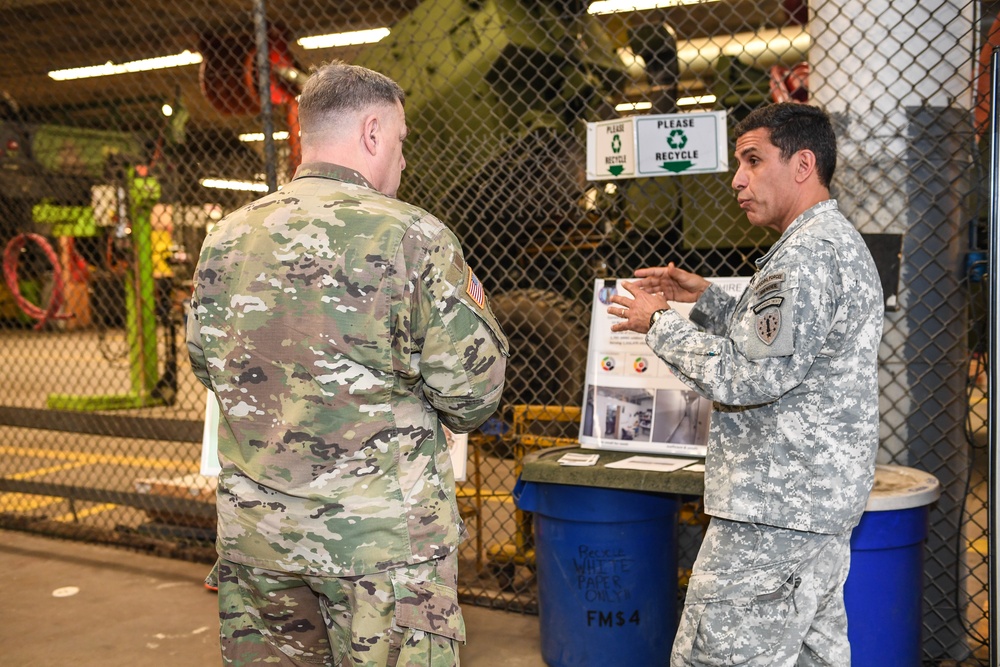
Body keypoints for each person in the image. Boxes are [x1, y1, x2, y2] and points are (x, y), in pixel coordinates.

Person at [186, 60, 509, 667]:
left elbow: (209, 367)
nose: (404, 160)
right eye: (402, 142)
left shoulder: (226, 237)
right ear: (371, 133)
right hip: (381, 548)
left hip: (260, 540)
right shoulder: (413, 236)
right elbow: (473, 395)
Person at [608, 102, 884, 665]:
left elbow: (749, 374)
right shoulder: (830, 242)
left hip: (772, 514)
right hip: (810, 512)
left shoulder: (803, 258)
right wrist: (704, 299)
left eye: (753, 160)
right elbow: (787, 344)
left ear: (803, 164)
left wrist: (658, 324)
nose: (737, 179)